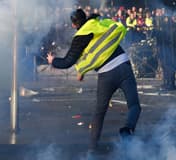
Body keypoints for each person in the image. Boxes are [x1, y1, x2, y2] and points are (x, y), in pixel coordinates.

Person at [46, 9, 141, 150]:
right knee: (134, 106)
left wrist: (53, 60)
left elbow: (67, 62)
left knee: (99, 112)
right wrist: (82, 70)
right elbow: (96, 50)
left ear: (73, 24)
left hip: (106, 74)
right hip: (123, 65)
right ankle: (127, 129)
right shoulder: (98, 23)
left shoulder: (79, 37)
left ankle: (92, 148)